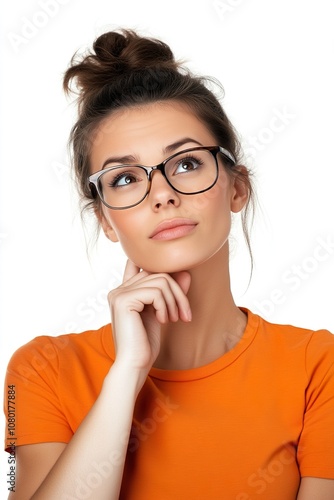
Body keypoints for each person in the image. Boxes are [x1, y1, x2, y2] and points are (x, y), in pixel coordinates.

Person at [3, 29, 334, 500]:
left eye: (185, 164)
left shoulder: (318, 368)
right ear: (107, 220)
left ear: (236, 187)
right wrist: (127, 374)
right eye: (124, 178)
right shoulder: (43, 369)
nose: (162, 194)